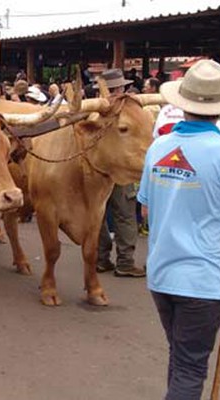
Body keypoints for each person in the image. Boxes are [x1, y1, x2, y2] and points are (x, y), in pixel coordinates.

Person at [138, 59, 220, 399]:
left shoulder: (159, 148)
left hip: (162, 275)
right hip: (202, 282)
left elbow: (149, 210)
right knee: (190, 369)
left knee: (181, 361)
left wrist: (214, 222)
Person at [94, 68, 145, 278]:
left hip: (99, 170)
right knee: (123, 214)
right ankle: (124, 261)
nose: (121, 91)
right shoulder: (131, 109)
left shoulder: (94, 111)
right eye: (118, 88)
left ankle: (100, 258)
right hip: (121, 169)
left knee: (98, 215)